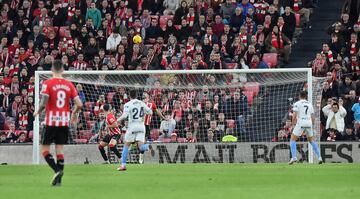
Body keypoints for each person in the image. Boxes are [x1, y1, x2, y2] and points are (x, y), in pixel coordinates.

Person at [33, 60, 83, 186]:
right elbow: (80, 104)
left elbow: (44, 102)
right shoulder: (69, 85)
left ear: (52, 69)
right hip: (64, 121)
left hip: (51, 121)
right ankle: (58, 181)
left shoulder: (47, 83)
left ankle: (56, 171)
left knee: (44, 149)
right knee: (59, 150)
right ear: (62, 70)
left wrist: (37, 111)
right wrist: (74, 113)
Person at [117, 90, 155, 171]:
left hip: (132, 126)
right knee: (141, 146)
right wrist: (144, 114)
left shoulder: (128, 104)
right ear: (137, 95)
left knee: (126, 145)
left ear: (129, 96)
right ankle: (148, 147)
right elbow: (151, 112)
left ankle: (123, 165)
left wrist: (118, 119)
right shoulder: (142, 103)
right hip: (141, 126)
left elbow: (125, 115)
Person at [289, 91, 323, 165]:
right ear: (306, 96)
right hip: (309, 122)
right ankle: (320, 157)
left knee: (292, 139)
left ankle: (294, 157)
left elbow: (294, 114)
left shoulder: (297, 103)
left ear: (299, 96)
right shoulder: (309, 104)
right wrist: (312, 125)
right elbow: (313, 116)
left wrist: (292, 123)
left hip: (301, 122)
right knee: (311, 140)